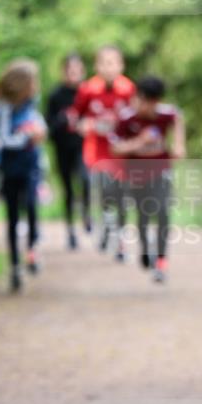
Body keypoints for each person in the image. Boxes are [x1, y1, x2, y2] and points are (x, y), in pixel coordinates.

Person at [111, 76, 186, 283]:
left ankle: (161, 261)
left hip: (161, 171)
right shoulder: (126, 118)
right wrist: (139, 142)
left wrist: (178, 144)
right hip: (135, 174)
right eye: (143, 101)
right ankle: (145, 248)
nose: (146, 107)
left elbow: (178, 119)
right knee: (143, 215)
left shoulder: (167, 114)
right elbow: (115, 148)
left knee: (162, 212)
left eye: (151, 102)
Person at [74, 46, 135, 261]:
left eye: (113, 63)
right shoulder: (87, 89)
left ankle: (120, 241)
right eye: (104, 63)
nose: (109, 68)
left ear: (121, 65)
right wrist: (85, 125)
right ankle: (107, 228)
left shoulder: (128, 89)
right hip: (97, 153)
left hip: (122, 153)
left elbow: (137, 119)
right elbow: (76, 117)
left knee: (122, 196)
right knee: (105, 194)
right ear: (97, 66)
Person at [0, 59, 47, 291]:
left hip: (31, 165)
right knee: (13, 216)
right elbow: (4, 139)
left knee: (32, 207)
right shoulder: (4, 108)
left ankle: (33, 249)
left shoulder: (32, 102)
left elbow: (38, 123)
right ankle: (15, 265)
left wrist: (38, 131)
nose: (36, 86)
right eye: (33, 82)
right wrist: (26, 136)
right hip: (11, 168)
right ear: (22, 84)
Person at [45, 53, 91, 249]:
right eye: (70, 70)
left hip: (84, 147)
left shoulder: (88, 93)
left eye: (77, 70)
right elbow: (48, 127)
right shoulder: (55, 96)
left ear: (83, 71)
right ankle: (71, 230)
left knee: (86, 179)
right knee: (68, 191)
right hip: (62, 149)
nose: (74, 74)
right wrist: (62, 120)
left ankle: (87, 214)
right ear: (64, 72)